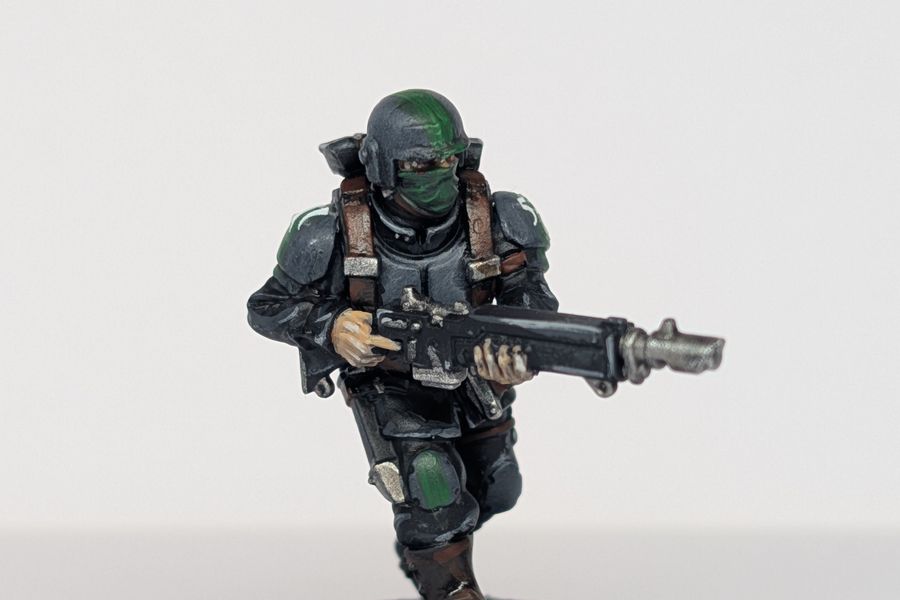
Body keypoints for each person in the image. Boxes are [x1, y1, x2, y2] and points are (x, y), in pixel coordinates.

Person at [247, 89, 558, 600]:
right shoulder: (327, 233)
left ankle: (427, 544)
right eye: (418, 164)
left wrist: (520, 340)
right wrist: (332, 325)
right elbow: (267, 306)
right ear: (382, 166)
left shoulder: (500, 217)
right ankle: (451, 585)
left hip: (473, 380)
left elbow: (531, 293)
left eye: (446, 160)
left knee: (498, 487)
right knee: (432, 482)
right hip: (390, 384)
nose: (437, 175)